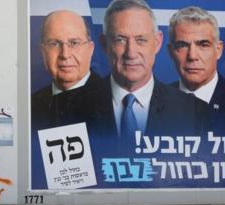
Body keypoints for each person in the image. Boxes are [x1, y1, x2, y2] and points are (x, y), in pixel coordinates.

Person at [92, 0, 209, 148]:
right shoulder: (70, 106)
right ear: (104, 44)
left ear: (157, 42)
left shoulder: (195, 113)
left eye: (141, 40)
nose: (131, 53)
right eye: (120, 40)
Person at [32, 10, 101, 130]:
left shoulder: (112, 100)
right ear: (43, 52)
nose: (65, 54)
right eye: (54, 44)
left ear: (90, 50)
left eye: (74, 43)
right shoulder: (32, 104)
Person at [168, 6, 225, 134]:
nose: (192, 56)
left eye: (203, 45)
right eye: (182, 45)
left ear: (218, 50)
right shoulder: (152, 103)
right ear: (171, 52)